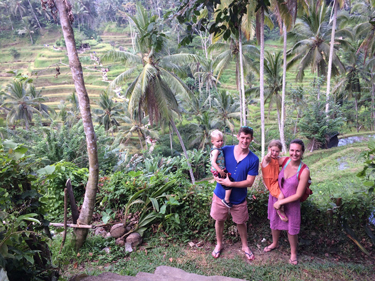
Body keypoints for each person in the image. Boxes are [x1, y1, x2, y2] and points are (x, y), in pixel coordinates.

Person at [210, 126, 259, 261]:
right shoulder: (225, 150)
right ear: (238, 137)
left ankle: (245, 246)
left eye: (247, 138)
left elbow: (249, 182)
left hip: (239, 197)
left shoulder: (253, 159)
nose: (244, 140)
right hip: (220, 194)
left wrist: (231, 184)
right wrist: (215, 176)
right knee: (219, 220)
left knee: (241, 222)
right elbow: (213, 163)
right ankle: (219, 244)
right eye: (242, 137)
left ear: (251, 139)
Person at [264, 139, 310, 265]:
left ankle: (293, 253)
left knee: (292, 230)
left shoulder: (304, 171)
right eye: (292, 150)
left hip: (291, 203)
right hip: (276, 197)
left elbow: (299, 195)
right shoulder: (285, 160)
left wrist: (281, 202)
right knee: (274, 223)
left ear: (302, 152)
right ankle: (274, 243)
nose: (294, 153)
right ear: (289, 150)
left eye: (298, 151)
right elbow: (269, 162)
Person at [261, 140, 288, 222]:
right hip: (271, 183)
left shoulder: (276, 159)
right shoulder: (267, 160)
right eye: (273, 150)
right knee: (281, 196)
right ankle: (280, 210)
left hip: (276, 181)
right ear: (269, 149)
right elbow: (267, 158)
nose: (274, 153)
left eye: (277, 151)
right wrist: (269, 154)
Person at [210, 130, 235, 208]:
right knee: (229, 182)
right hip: (219, 170)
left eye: (221, 141)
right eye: (218, 141)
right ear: (212, 141)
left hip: (220, 170)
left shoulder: (218, 149)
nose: (220, 143)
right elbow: (213, 162)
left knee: (229, 180)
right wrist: (220, 171)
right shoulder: (216, 151)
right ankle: (226, 199)